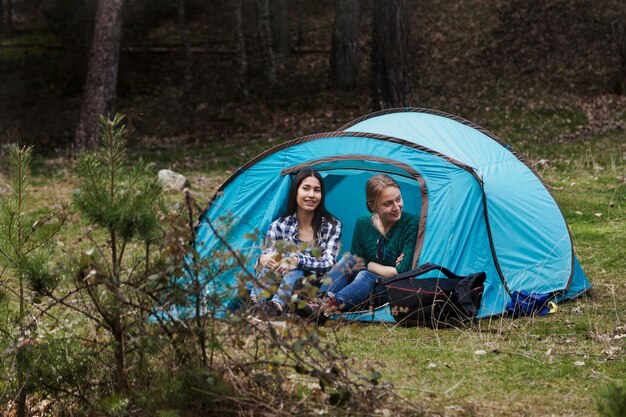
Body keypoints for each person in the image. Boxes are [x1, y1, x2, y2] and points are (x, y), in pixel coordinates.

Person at [316, 173, 418, 317]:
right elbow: (357, 262)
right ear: (372, 206)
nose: (397, 207)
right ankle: (319, 301)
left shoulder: (411, 224)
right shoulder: (363, 224)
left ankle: (333, 305)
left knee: (365, 274)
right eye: (388, 203)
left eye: (398, 199)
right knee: (348, 260)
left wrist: (371, 266)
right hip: (360, 288)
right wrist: (383, 268)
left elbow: (402, 271)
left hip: (387, 288)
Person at [249, 169, 342, 318]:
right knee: (280, 257)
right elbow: (267, 260)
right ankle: (255, 304)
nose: (311, 195)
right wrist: (263, 259)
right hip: (278, 283)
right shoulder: (278, 225)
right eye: (306, 188)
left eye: (317, 190)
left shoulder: (332, 225)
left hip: (311, 289)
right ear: (295, 192)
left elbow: (330, 263)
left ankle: (276, 305)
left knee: (293, 261)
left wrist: (297, 260)